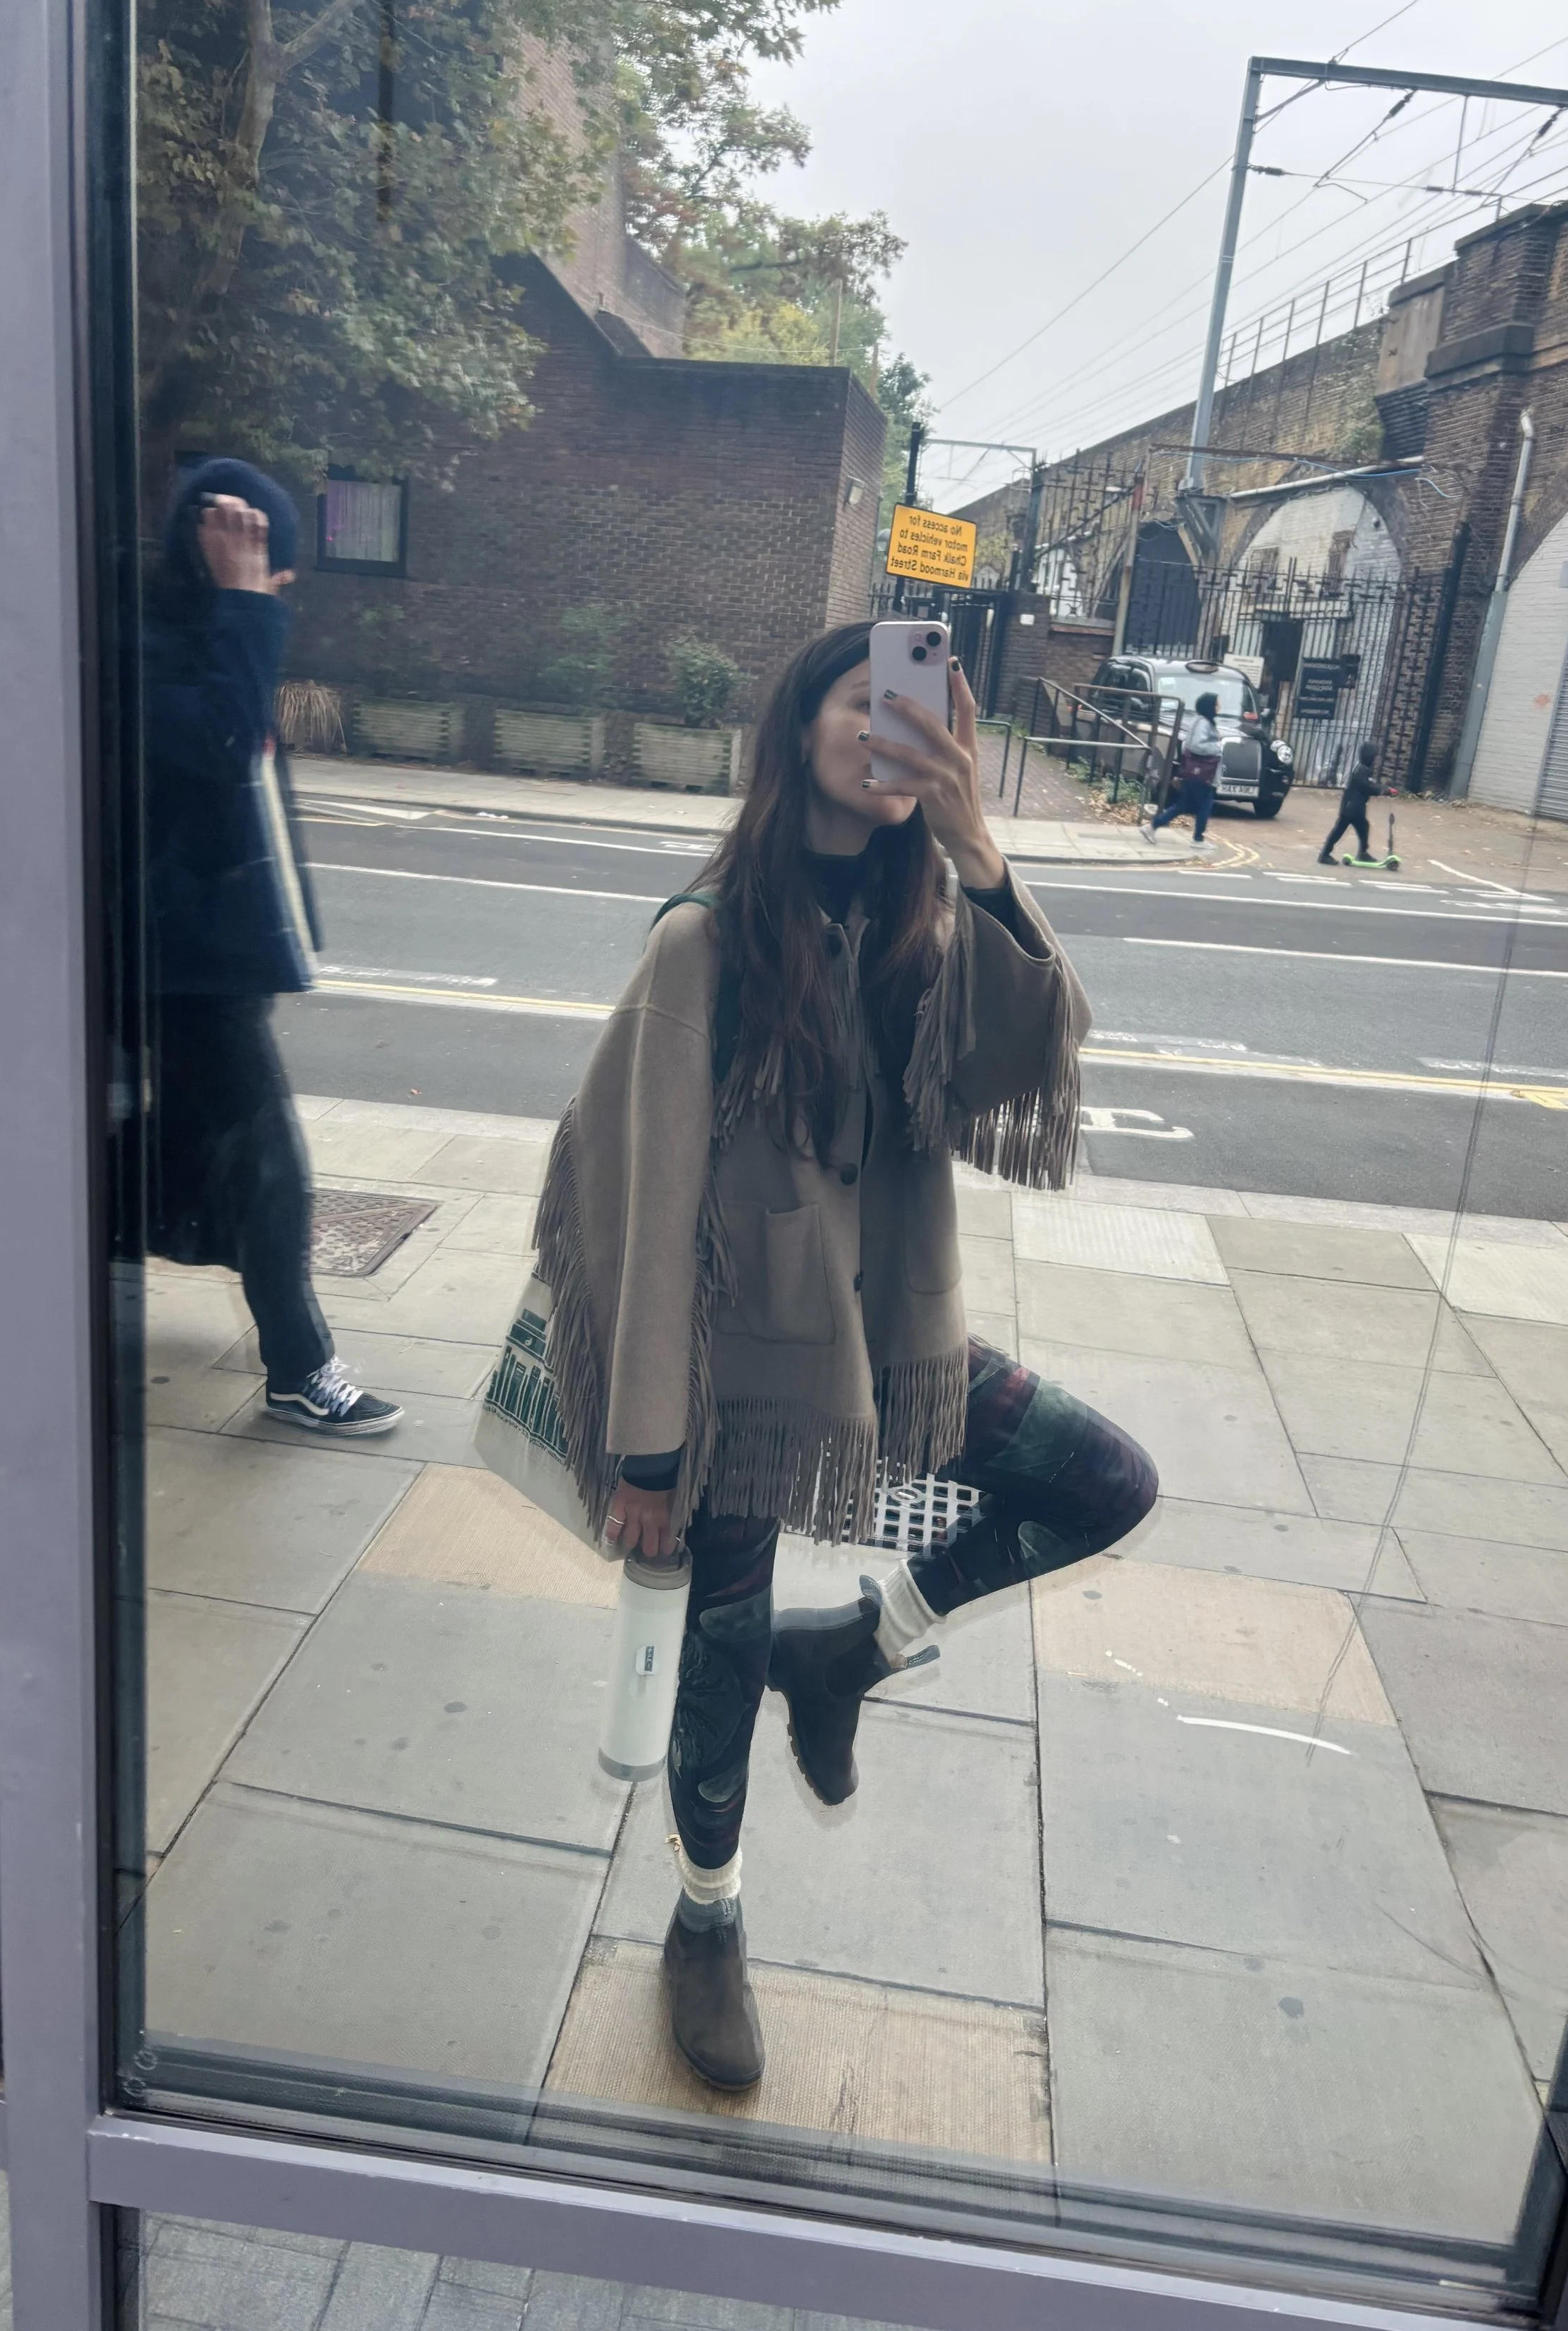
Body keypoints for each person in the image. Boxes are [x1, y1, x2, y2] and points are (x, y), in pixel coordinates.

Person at [530, 623, 1158, 2089]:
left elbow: (1022, 1061)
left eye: (922, 711)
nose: (889, 731)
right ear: (799, 719)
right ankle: (705, 1920)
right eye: (862, 699)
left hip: (891, 1335)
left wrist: (983, 854)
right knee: (715, 1641)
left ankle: (852, 1648)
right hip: (735, 1369)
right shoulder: (704, 934)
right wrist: (645, 1453)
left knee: (1100, 1480)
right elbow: (637, 1199)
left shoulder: (924, 921)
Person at [145, 457, 401, 1435]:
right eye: (272, 569)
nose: (281, 589)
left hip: (219, 955)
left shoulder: (205, 639)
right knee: (271, 1164)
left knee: (182, 1148)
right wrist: (245, 607)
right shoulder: (159, 643)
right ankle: (299, 1364)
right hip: (181, 964)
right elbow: (219, 742)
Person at [1140, 691, 1222, 846]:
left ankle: (1152, 827)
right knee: (1205, 804)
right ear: (1210, 706)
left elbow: (1186, 744)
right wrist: (1217, 748)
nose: (1220, 706)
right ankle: (1198, 839)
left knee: (1184, 805)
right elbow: (1195, 745)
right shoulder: (1204, 723)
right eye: (1217, 703)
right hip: (1201, 774)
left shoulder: (1200, 721)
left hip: (1195, 773)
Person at [1318, 741, 1378, 864]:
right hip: (1351, 808)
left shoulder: (1364, 769)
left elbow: (1369, 786)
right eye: (1374, 757)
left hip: (1355, 807)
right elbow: (1367, 787)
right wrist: (1384, 790)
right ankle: (1324, 855)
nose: (1375, 760)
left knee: (1363, 827)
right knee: (1339, 830)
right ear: (1369, 757)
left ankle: (1363, 853)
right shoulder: (1362, 771)